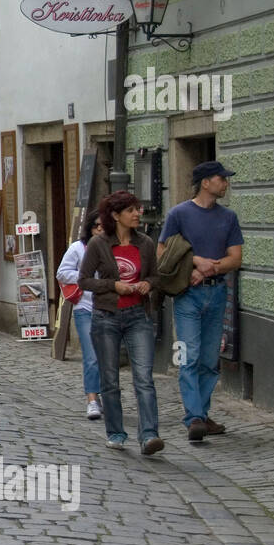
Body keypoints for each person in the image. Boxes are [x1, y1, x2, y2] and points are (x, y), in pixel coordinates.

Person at [158, 161, 244, 442]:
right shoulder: (179, 214)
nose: (226, 183)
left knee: (209, 360)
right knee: (189, 356)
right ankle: (194, 416)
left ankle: (202, 414)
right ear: (205, 183)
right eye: (222, 179)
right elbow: (163, 253)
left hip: (218, 292)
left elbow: (236, 258)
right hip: (187, 295)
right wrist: (194, 262)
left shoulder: (228, 218)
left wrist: (212, 268)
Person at [79, 191, 163, 455]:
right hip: (106, 317)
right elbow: (84, 281)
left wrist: (148, 283)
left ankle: (149, 435)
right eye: (131, 210)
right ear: (115, 216)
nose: (137, 214)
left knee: (144, 378)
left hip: (138, 315)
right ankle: (116, 432)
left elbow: (155, 276)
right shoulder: (99, 244)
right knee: (110, 380)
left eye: (137, 209)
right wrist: (113, 285)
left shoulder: (146, 243)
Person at [56, 209, 104, 419]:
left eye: (104, 226)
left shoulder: (114, 247)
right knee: (92, 356)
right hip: (85, 308)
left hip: (109, 308)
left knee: (106, 357)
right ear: (90, 228)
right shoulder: (78, 248)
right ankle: (92, 399)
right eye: (97, 226)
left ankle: (103, 395)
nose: (100, 230)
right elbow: (62, 273)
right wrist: (85, 277)